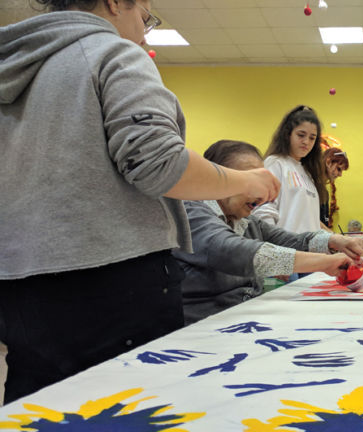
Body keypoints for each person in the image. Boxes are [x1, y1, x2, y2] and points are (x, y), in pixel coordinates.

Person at [0, 0, 280, 404]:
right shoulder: (111, 52)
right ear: (116, 2)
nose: (144, 32)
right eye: (145, 16)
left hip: (21, 284)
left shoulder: (18, 65)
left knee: (41, 406)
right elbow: (159, 163)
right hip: (112, 282)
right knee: (132, 406)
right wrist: (244, 180)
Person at [172, 140, 363, 324]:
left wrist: (334, 240)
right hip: (204, 329)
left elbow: (290, 240)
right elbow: (231, 251)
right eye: (248, 180)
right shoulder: (190, 212)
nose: (259, 192)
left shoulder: (246, 221)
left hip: (242, 319)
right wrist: (324, 262)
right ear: (218, 179)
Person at [253, 105, 326, 234]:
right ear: (287, 134)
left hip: (309, 251)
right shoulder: (275, 163)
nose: (306, 142)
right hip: (285, 249)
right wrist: (274, 246)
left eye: (312, 138)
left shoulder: (307, 173)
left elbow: (309, 222)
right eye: (301, 135)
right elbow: (263, 209)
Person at [319, 146, 349, 231]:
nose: (340, 175)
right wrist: (332, 235)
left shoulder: (325, 192)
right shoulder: (310, 186)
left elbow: (324, 221)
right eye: (338, 169)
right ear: (328, 162)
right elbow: (310, 220)